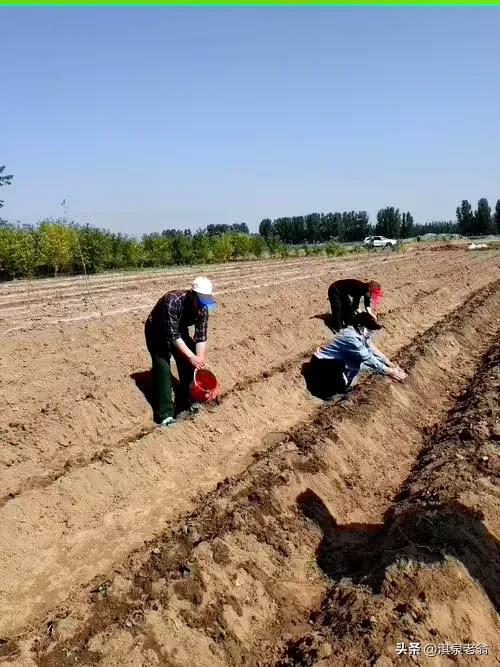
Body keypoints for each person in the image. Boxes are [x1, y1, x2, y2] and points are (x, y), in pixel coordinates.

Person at [144, 276, 216, 427]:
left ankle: (185, 403)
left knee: (190, 364)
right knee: (162, 365)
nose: (202, 305)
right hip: (156, 330)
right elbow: (172, 336)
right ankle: (165, 415)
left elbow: (201, 336)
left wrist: (199, 359)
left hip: (178, 330)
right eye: (200, 301)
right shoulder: (173, 301)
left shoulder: (203, 309)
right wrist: (191, 356)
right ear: (192, 295)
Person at [302, 312, 406, 400]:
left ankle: (338, 386)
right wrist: (391, 372)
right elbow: (368, 358)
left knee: (354, 363)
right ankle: (323, 391)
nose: (372, 332)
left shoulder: (358, 333)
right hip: (322, 363)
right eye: (370, 329)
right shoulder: (351, 338)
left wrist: (390, 364)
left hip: (331, 362)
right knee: (349, 367)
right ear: (360, 326)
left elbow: (371, 349)